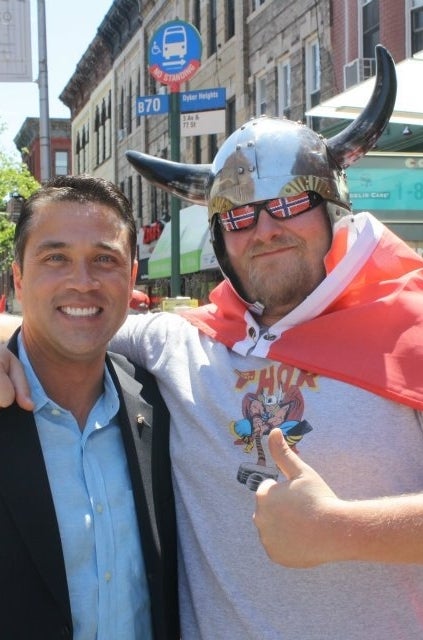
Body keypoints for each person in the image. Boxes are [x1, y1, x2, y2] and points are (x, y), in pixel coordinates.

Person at [2, 45, 423, 639]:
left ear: (332, 209)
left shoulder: (412, 329)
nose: (265, 230)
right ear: (221, 240)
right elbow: (70, 322)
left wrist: (342, 529)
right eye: (239, 216)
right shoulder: (182, 342)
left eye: (289, 203)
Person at [0, 175, 178, 640]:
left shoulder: (162, 402)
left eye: (104, 259)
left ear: (131, 277)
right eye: (55, 258)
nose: (82, 282)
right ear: (19, 278)